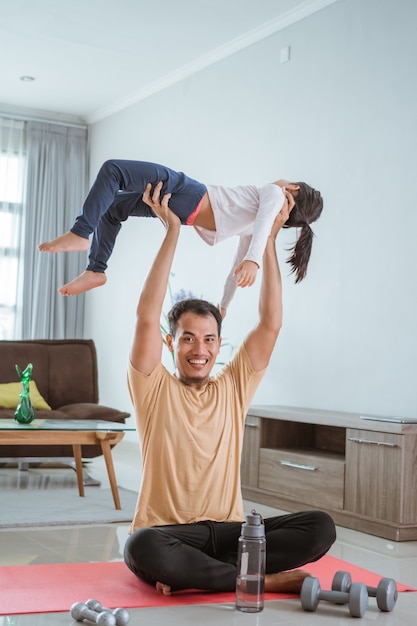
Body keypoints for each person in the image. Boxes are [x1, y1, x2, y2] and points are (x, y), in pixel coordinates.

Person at [122, 183, 336, 596]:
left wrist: (268, 239)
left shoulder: (234, 386)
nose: (198, 350)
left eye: (208, 340)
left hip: (231, 535)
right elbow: (146, 318)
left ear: (219, 345)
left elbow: (270, 323)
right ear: (171, 343)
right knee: (141, 545)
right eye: (187, 338)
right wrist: (172, 233)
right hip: (171, 534)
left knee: (319, 527)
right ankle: (265, 582)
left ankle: (203, 575)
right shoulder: (152, 388)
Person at [38, 160, 323, 309]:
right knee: (113, 208)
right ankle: (96, 269)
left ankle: (80, 232)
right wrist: (223, 305)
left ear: (294, 189)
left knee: (114, 170)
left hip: (191, 193)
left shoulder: (274, 193)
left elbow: (258, 237)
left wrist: (253, 260)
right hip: (184, 212)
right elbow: (234, 271)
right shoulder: (252, 221)